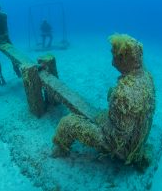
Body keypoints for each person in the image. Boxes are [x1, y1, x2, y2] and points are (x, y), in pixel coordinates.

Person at [52, 34, 156, 169]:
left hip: (123, 149)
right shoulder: (147, 78)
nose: (112, 62)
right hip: (136, 140)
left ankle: (58, 153)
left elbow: (114, 139)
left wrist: (105, 118)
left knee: (68, 123)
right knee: (101, 116)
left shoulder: (123, 94)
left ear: (124, 59)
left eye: (115, 57)